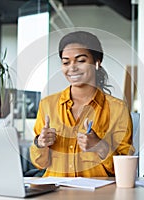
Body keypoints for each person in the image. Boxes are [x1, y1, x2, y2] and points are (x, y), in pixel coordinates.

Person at [30, 31, 134, 177]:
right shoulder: (47, 105)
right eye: (66, 62)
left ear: (97, 63)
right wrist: (40, 143)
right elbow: (40, 163)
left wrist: (101, 147)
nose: (72, 68)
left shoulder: (118, 109)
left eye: (81, 60)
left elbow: (127, 170)